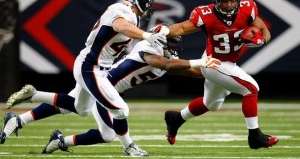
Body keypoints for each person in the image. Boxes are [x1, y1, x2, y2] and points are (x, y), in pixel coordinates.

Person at [1, 35, 221, 156]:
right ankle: (128, 146)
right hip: (105, 86)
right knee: (105, 128)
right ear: (158, 43)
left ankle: (32, 120)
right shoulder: (149, 52)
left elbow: (188, 70)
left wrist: (216, 74)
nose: (174, 49)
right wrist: (201, 61)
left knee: (74, 106)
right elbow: (165, 63)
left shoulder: (162, 57)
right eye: (170, 45)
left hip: (101, 81)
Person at [162, 0, 279, 149]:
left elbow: (263, 30)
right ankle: (255, 136)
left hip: (228, 63)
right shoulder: (205, 15)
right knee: (251, 88)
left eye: (232, 0)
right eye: (224, 1)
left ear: (238, 0)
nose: (229, 5)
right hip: (213, 62)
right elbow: (180, 28)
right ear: (216, 0)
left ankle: (176, 118)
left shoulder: (248, 8)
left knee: (211, 104)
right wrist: (163, 30)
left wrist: (262, 42)